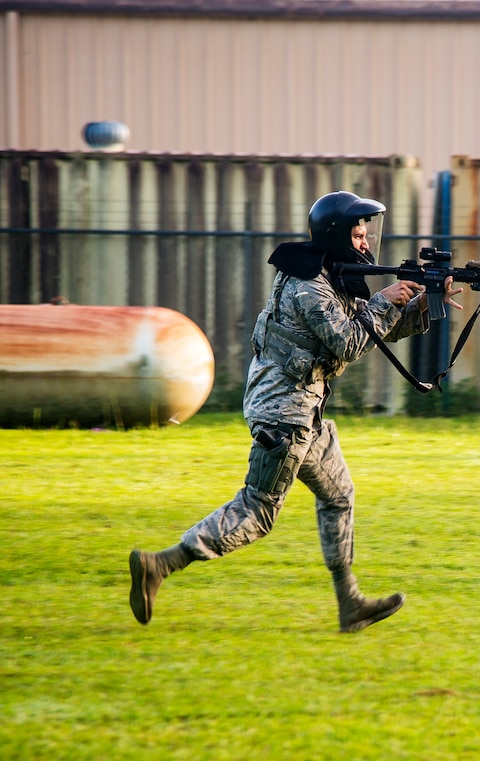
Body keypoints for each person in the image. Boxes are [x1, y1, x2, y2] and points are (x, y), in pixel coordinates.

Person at [128, 190, 462, 632]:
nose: (366, 243)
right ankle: (160, 565)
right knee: (258, 509)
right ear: (336, 234)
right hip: (284, 415)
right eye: (358, 234)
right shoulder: (309, 287)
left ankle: (350, 603)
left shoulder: (328, 276)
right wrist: (386, 299)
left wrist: (421, 304)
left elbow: (374, 329)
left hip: (304, 412)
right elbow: (349, 341)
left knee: (339, 495)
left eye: (367, 234)